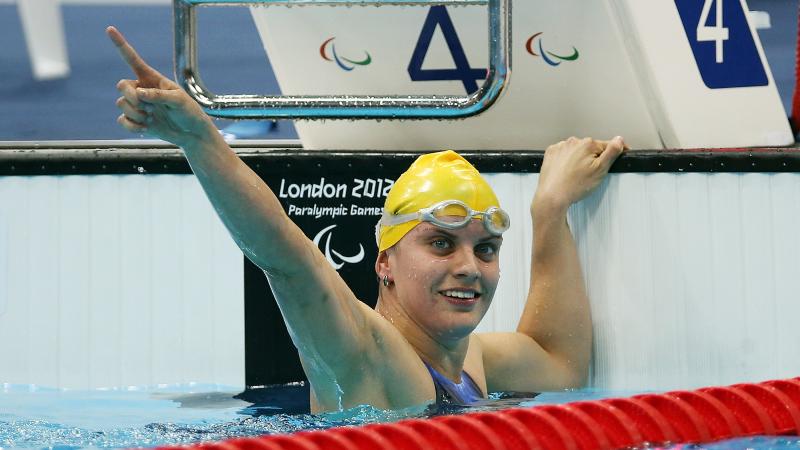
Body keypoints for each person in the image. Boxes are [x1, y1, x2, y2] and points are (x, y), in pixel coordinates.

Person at [107, 25, 626, 412]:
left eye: (485, 248)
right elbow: (287, 259)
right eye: (441, 244)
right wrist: (201, 140)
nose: (470, 266)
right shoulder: (365, 354)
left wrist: (550, 210)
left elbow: (559, 361)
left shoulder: (473, 360)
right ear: (385, 262)